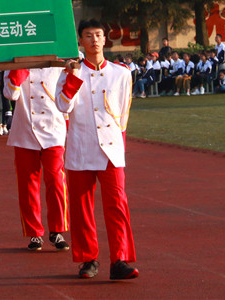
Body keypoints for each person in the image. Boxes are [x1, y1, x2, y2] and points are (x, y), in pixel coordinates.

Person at [55, 19, 138, 281]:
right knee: (81, 208)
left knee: (117, 205)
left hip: (112, 150)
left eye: (98, 35)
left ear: (105, 39)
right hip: (81, 147)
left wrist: (119, 145)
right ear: (80, 41)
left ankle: (119, 260)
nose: (94, 40)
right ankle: (88, 259)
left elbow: (123, 113)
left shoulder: (121, 73)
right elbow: (63, 107)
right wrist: (73, 76)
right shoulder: (69, 73)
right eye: (88, 36)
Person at [4, 65, 69, 252]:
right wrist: (19, 68)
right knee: (27, 184)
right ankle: (34, 232)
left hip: (53, 129)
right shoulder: (14, 62)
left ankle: (57, 230)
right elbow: (11, 94)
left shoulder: (57, 63)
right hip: (24, 129)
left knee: (56, 180)